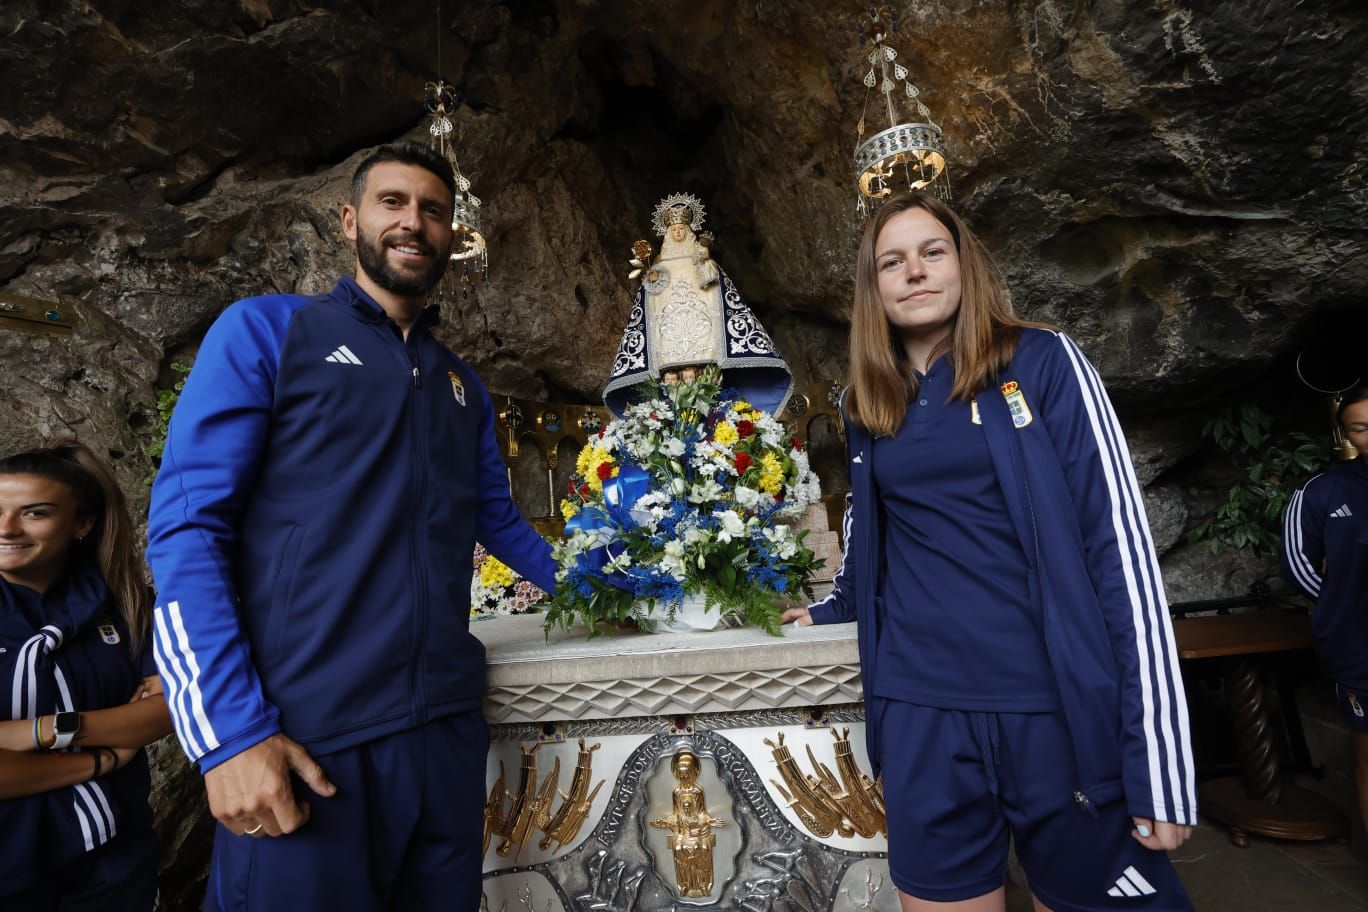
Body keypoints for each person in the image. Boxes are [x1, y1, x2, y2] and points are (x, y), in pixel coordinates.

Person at [146, 141, 558, 911]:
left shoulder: (462, 383)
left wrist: (622, 593)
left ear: (450, 236)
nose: (413, 223)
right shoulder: (267, 334)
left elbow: (500, 521)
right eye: (392, 203)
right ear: (349, 220)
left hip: (444, 739)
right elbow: (185, 532)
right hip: (310, 739)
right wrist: (227, 737)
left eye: (433, 211)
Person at [782, 191, 1196, 912]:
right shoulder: (863, 403)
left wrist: (1159, 762)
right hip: (921, 714)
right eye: (892, 261)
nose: (914, 272)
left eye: (932, 252)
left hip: (1051, 708)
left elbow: (1118, 549)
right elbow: (870, 533)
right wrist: (833, 608)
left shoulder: (1041, 360)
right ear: (872, 286)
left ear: (963, 264)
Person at [0, 441, 172, 910]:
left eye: (34, 513)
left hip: (112, 857)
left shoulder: (127, 605)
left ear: (82, 524)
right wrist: (102, 760)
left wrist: (38, 732)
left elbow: (164, 712)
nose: (7, 528)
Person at [603, 192, 793, 417]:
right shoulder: (658, 264)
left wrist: (703, 260)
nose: (678, 232)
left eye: (682, 228)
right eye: (673, 229)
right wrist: (650, 277)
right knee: (673, 382)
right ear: (667, 233)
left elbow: (711, 282)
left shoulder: (701, 258)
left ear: (689, 229)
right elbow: (651, 297)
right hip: (669, 339)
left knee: (707, 379)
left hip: (703, 336)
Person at [1282, 385, 1368, 835]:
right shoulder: (1323, 491)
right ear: (1347, 434)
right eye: (1362, 426)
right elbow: (1298, 562)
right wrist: (1342, 606)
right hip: (1358, 647)